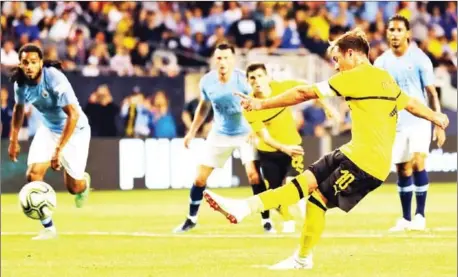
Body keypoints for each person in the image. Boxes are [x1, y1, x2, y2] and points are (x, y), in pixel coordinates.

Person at [203, 29, 449, 270]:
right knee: (299, 185)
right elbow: (411, 103)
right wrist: (436, 116)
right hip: (352, 152)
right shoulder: (384, 78)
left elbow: (303, 93)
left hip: (367, 164)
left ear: (351, 53)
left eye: (337, 58)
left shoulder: (354, 77)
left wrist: (261, 104)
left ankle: (302, 259)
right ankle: (243, 208)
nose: (336, 65)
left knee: (316, 201)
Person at [173, 43, 268, 233]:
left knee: (254, 175)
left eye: (226, 58)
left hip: (245, 132)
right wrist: (192, 131)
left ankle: (266, 220)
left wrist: (258, 126)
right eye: (219, 58)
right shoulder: (207, 82)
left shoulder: (244, 80)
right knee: (200, 179)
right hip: (220, 133)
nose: (222, 62)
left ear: (233, 60)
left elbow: (261, 101)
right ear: (214, 60)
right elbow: (203, 107)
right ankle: (191, 219)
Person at [8, 44, 92, 240]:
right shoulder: (20, 83)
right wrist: (13, 139)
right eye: (25, 63)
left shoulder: (54, 77)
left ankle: (84, 184)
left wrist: (58, 151)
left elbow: (73, 115)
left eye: (33, 62)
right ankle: (49, 228)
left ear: (41, 63)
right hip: (48, 129)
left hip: (75, 130)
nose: (29, 66)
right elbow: (18, 109)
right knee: (33, 174)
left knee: (73, 188)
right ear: (20, 64)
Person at [374, 15, 445, 232]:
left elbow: (432, 93)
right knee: (402, 168)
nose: (394, 34)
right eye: (391, 29)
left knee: (417, 161)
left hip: (419, 120)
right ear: (386, 33)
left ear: (408, 34)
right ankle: (406, 219)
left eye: (398, 30)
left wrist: (438, 122)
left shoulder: (420, 59)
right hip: (395, 123)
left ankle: (420, 216)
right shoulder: (381, 63)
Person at [242, 63, 307, 233]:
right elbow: (265, 137)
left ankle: (305, 211)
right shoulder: (249, 105)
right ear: (248, 82)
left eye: (260, 76)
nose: (257, 81)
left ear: (268, 77)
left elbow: (308, 88)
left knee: (295, 183)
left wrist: (327, 107)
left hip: (293, 146)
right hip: (269, 151)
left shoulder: (281, 87)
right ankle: (288, 219)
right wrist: (284, 148)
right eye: (252, 78)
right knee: (274, 192)